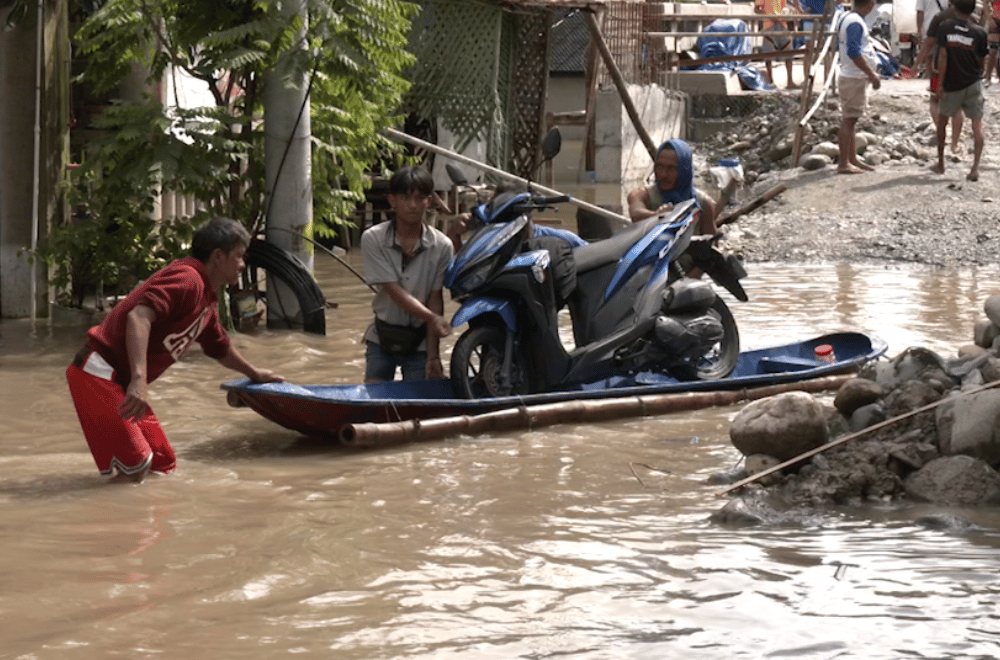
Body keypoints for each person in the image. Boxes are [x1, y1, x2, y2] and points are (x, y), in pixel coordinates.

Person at [65, 217, 284, 483]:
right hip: (98, 372)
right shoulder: (187, 279)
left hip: (120, 383)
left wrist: (254, 374)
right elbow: (139, 317)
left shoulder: (206, 302)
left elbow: (220, 348)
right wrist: (139, 378)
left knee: (162, 463)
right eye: (238, 257)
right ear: (218, 256)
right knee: (137, 466)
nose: (242, 264)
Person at [361, 166, 454, 383]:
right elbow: (393, 291)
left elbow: (435, 298)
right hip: (381, 336)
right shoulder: (373, 238)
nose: (412, 205)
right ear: (392, 201)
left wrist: (434, 355)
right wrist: (434, 318)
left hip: (419, 340)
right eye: (405, 197)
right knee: (374, 402)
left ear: (429, 202)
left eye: (419, 198)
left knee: (419, 403)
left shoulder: (442, 246)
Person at [930, 0, 989, 180]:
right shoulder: (980, 32)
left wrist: (939, 85)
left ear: (954, 9)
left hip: (951, 85)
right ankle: (975, 169)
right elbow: (982, 62)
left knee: (942, 123)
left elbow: (943, 56)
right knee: (977, 127)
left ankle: (940, 164)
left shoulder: (945, 27)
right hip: (973, 84)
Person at [626, 139, 719, 237]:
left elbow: (709, 243)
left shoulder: (703, 204)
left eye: (671, 168)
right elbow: (635, 213)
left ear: (684, 170)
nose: (663, 174)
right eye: (659, 167)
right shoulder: (642, 195)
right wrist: (657, 216)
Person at [836, 0, 882, 174]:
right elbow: (854, 52)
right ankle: (843, 162)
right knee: (849, 119)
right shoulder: (854, 22)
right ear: (869, 4)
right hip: (853, 77)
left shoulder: (848, 17)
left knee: (852, 119)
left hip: (852, 75)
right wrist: (871, 74)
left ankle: (851, 158)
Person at [926, 0, 968, 157]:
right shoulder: (970, 17)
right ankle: (955, 143)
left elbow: (929, 44)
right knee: (958, 106)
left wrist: (926, 65)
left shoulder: (939, 17)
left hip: (939, 66)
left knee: (935, 100)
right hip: (961, 66)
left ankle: (942, 135)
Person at [755, 0, 802, 89]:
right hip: (769, 26)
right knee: (768, 54)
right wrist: (770, 16)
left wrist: (783, 17)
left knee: (788, 53)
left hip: (782, 25)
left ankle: (790, 82)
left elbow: (784, 8)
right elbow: (756, 9)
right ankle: (770, 81)